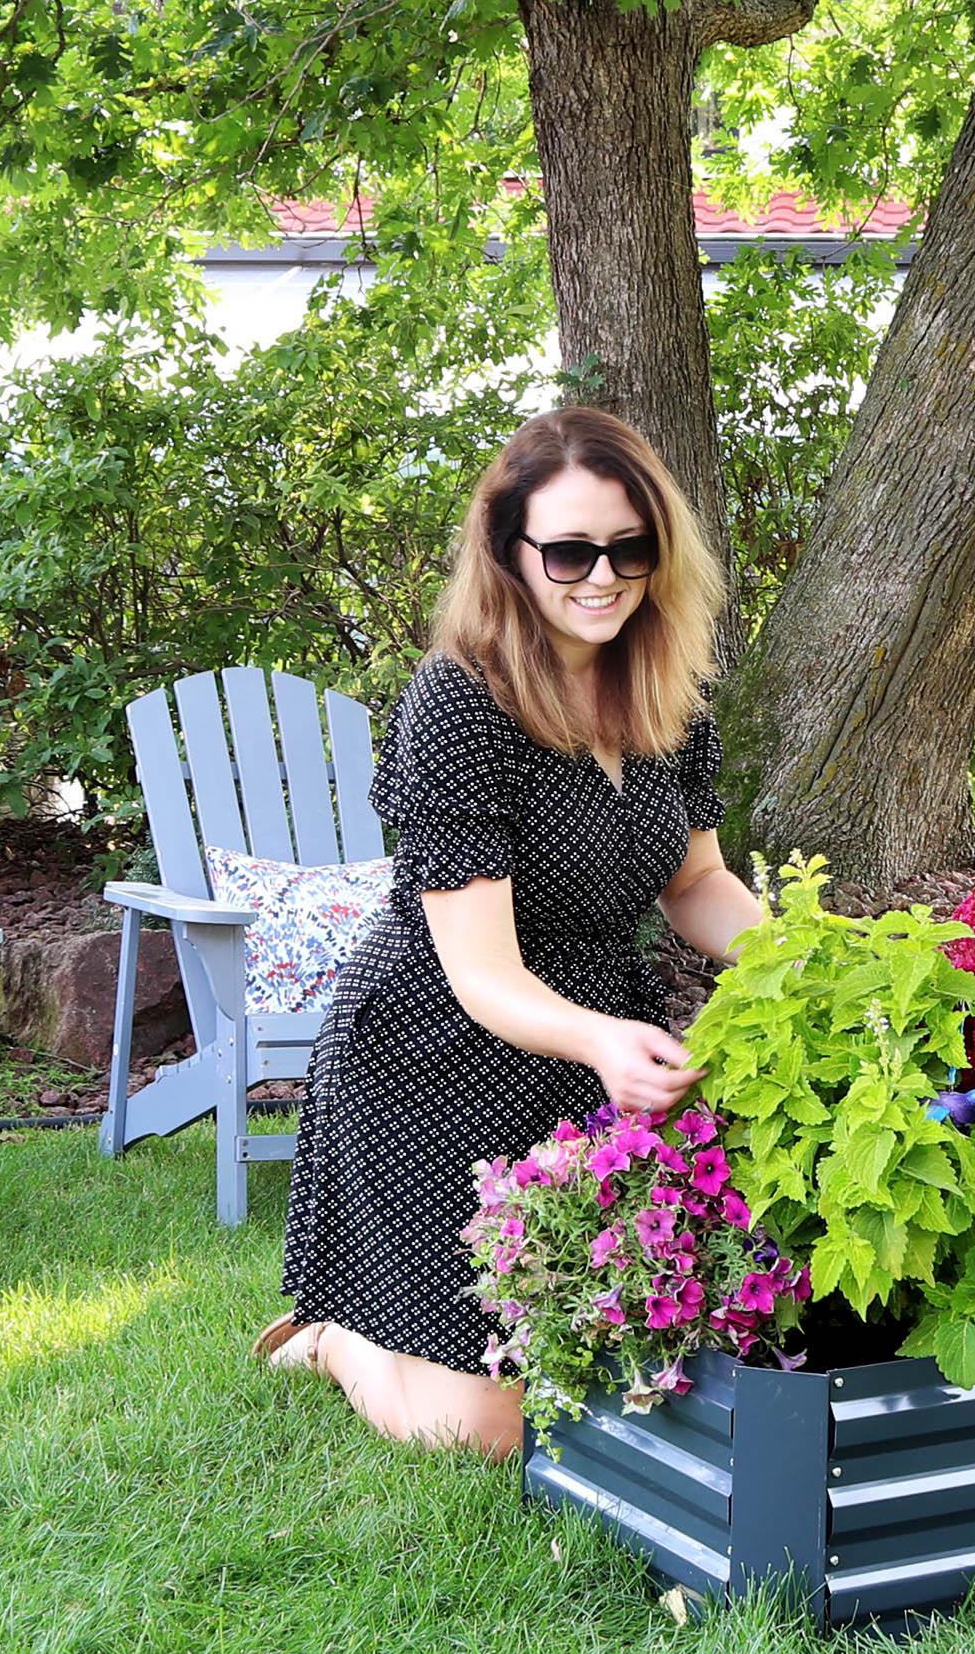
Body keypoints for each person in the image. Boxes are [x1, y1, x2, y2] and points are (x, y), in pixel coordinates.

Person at [254, 406, 766, 1456]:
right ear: (510, 551)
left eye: (630, 547)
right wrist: (604, 1040)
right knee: (492, 1426)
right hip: (436, 1056)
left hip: (586, 1055)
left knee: (623, 1367)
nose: (602, 575)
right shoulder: (462, 703)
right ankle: (333, 1340)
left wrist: (815, 961)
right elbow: (481, 972)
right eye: (570, 550)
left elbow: (698, 883)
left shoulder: (669, 698)